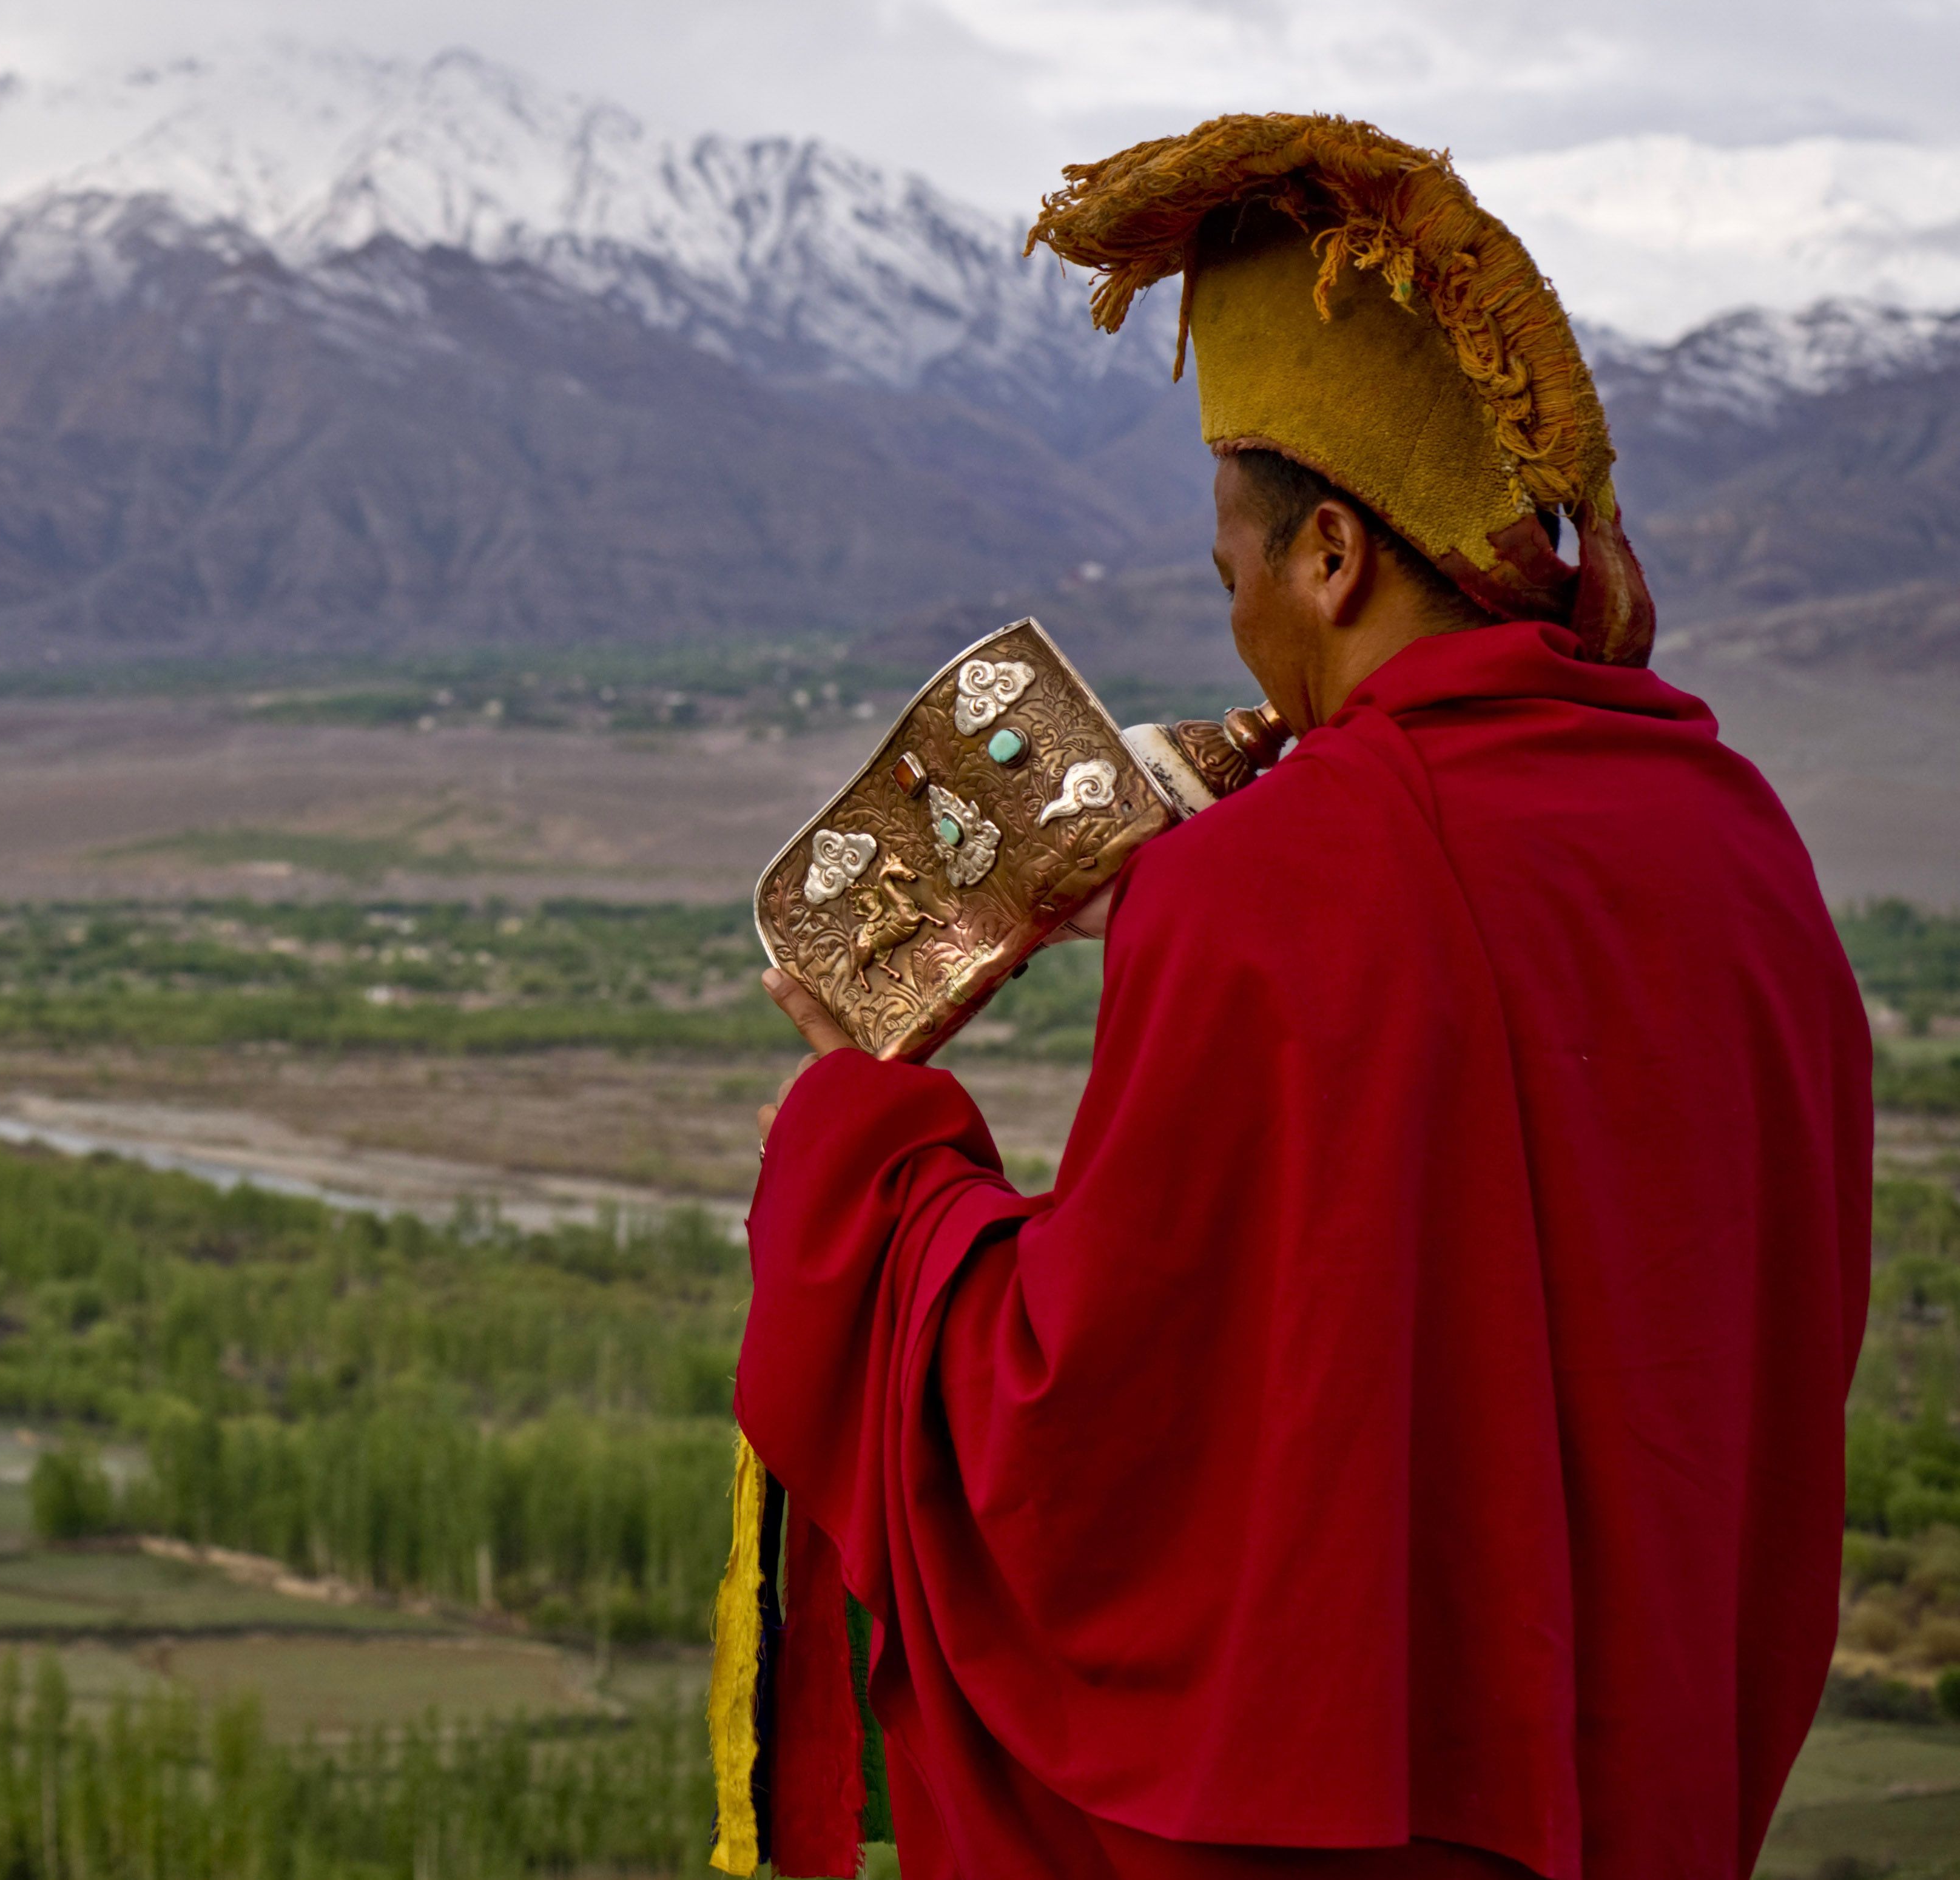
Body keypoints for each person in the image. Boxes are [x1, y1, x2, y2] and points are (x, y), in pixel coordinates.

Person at [729, 114, 1876, 1878]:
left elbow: (1080, 1452)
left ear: (1331, 555)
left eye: (1238, 572)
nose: (1242, 619)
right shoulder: (1742, 845)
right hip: (1655, 1800)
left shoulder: (1261, 896)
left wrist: (864, 1167)